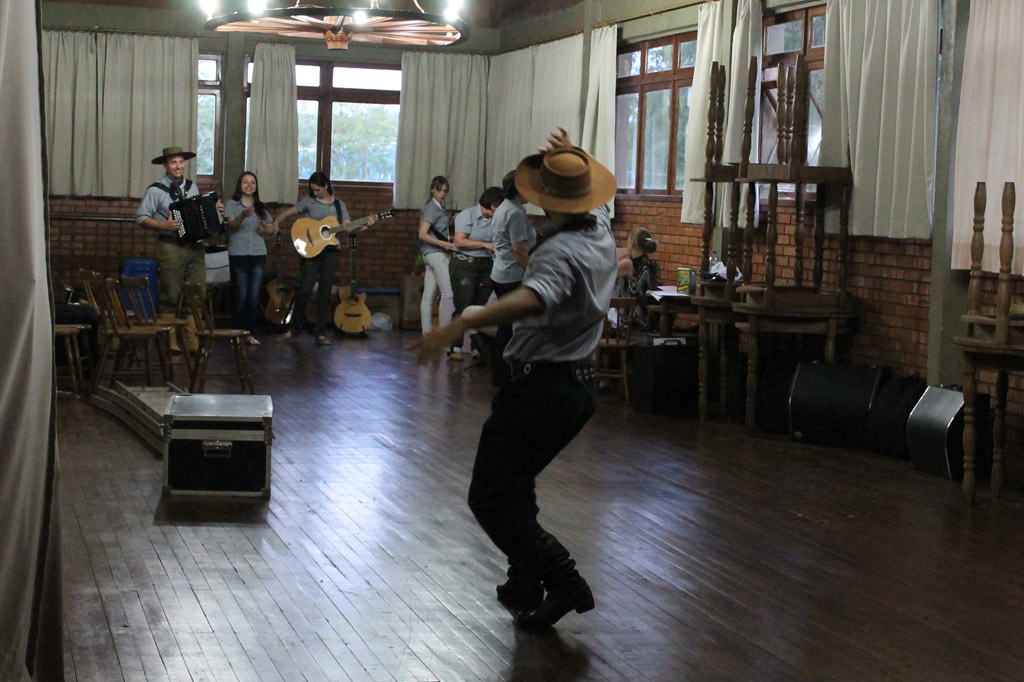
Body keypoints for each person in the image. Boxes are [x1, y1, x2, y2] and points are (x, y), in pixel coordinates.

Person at [412, 127, 617, 630]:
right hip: (574, 388)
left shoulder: (559, 251)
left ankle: (563, 578)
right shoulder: (600, 231)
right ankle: (524, 582)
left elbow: (532, 298)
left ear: (545, 200)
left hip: (542, 389)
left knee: (489, 496)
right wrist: (564, 159)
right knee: (515, 483)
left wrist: (460, 323)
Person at [136, 145, 222, 350]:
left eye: (181, 162)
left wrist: (214, 210)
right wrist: (163, 225)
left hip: (195, 247)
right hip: (170, 246)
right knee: (170, 294)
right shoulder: (155, 190)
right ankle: (170, 340)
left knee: (197, 292)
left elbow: (198, 213)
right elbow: (141, 217)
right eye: (173, 162)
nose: (178, 166)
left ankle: (192, 340)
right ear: (165, 165)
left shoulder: (192, 187)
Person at [276, 171, 374, 345]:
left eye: (318, 190)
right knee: (304, 290)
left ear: (326, 186)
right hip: (311, 251)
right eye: (313, 190)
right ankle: (293, 329)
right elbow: (288, 213)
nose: (315, 193)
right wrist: (275, 223)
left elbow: (348, 227)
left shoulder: (339, 205)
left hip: (331, 252)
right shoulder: (308, 202)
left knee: (325, 292)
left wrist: (364, 225)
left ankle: (320, 333)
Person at [487, 170, 536, 384]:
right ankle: (507, 375)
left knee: (505, 328)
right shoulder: (515, 213)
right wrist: (536, 271)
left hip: (501, 273)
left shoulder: (503, 208)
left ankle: (501, 375)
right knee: (511, 330)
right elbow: (519, 251)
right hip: (513, 276)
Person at [449, 186, 503, 361]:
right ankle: (455, 346)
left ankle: (477, 348)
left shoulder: (496, 219)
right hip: (465, 264)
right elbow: (459, 241)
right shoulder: (467, 215)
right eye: (496, 206)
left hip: (486, 265)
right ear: (488, 204)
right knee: (463, 304)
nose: (498, 210)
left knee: (481, 307)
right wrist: (485, 245)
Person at [224, 171, 277, 345]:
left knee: (254, 296)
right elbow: (232, 226)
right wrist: (243, 215)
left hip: (258, 254)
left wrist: (265, 228)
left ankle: (249, 333)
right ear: (240, 185)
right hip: (238, 254)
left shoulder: (261, 207)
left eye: (252, 182)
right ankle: (236, 333)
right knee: (241, 294)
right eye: (245, 182)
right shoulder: (232, 204)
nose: (249, 185)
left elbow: (272, 229)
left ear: (256, 187)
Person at [418, 176, 456, 343]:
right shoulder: (432, 208)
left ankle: (426, 333)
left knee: (428, 296)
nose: (442, 194)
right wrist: (443, 243)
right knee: (447, 293)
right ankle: (443, 335)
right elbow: (422, 234)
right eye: (439, 190)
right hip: (437, 254)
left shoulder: (437, 208)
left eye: (445, 191)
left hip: (430, 254)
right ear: (432, 189)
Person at [620, 227, 660, 332]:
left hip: (632, 320)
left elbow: (605, 274)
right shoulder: (652, 263)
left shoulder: (629, 264)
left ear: (632, 242)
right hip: (648, 317)